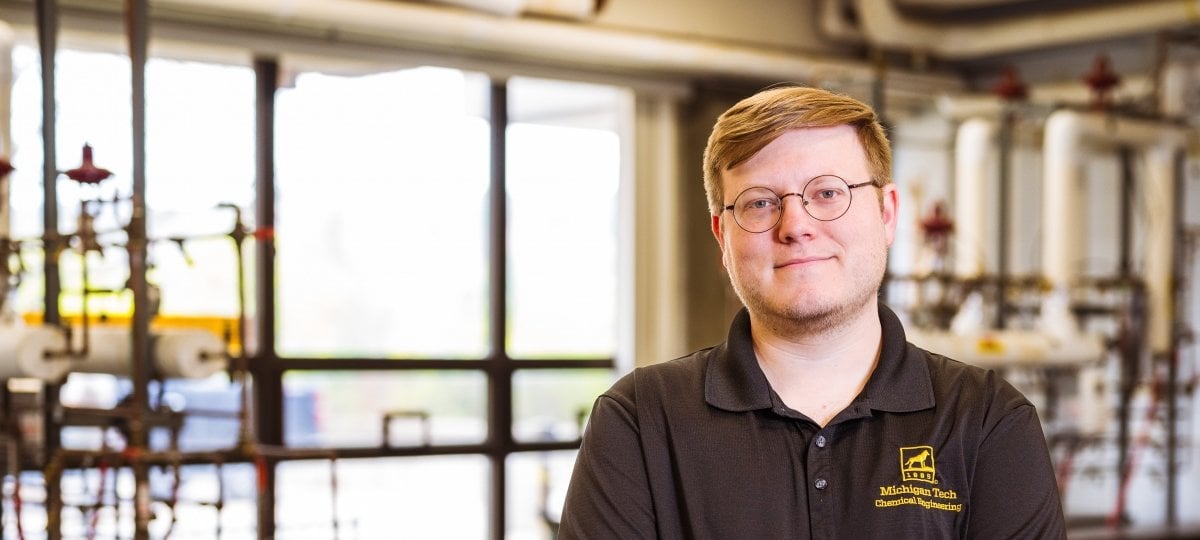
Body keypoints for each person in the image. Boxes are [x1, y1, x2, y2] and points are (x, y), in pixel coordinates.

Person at [557, 86, 1066, 538]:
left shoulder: (987, 422)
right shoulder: (640, 422)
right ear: (722, 237)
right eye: (759, 203)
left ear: (886, 214)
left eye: (827, 193)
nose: (795, 225)